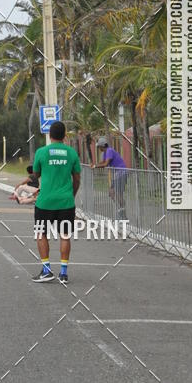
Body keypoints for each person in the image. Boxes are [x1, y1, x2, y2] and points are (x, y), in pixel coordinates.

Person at [30, 121, 81, 284]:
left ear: (50, 135)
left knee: (40, 233)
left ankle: (46, 270)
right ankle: (64, 273)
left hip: (45, 202)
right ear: (64, 136)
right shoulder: (72, 153)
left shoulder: (41, 152)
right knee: (65, 236)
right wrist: (71, 195)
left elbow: (36, 174)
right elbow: (77, 178)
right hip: (66, 202)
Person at [92, 137, 128, 218]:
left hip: (121, 172)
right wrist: (94, 164)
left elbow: (105, 164)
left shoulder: (109, 151)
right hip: (118, 173)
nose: (99, 148)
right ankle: (121, 209)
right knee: (112, 192)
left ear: (103, 146)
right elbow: (102, 162)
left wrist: (95, 166)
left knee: (117, 193)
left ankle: (122, 211)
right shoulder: (105, 153)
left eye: (99, 147)